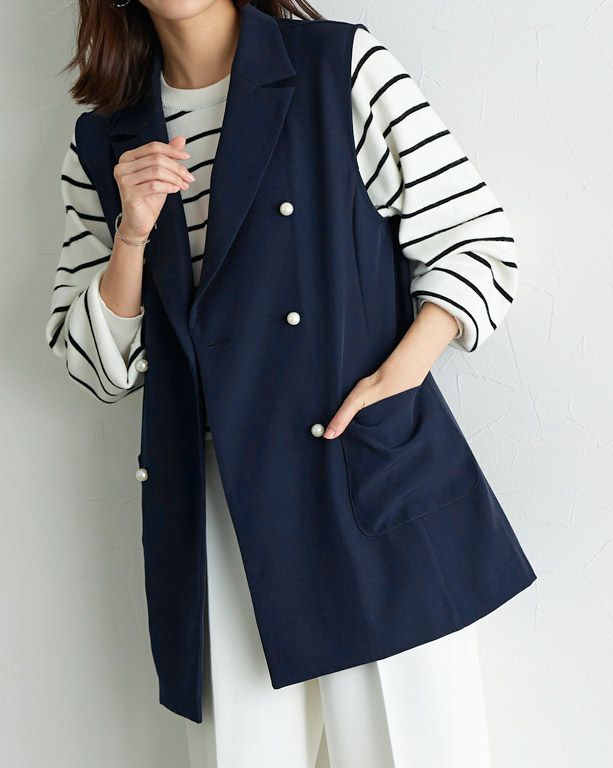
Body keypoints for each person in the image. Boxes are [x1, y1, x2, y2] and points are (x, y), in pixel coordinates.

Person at [46, 1, 535, 765]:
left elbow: (476, 241)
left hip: (358, 481)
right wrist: (131, 237)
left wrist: (397, 377)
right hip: (217, 522)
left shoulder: (338, 67)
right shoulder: (104, 140)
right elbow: (96, 364)